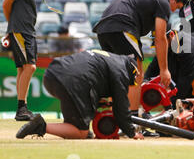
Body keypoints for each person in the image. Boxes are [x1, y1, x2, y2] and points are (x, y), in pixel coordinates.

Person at [92, 0, 187, 116]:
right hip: (122, 26)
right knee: (136, 74)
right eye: (177, 7)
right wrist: (164, 70)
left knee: (118, 77)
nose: (173, 11)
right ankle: (133, 121)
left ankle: (116, 119)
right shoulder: (163, 1)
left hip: (103, 30)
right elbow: (161, 38)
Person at [15, 49, 144, 140]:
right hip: (74, 82)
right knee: (81, 132)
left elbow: (93, 74)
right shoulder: (122, 70)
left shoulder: (110, 58)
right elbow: (121, 106)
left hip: (52, 75)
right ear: (130, 71)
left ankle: (72, 128)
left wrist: (97, 101)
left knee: (81, 127)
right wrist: (132, 132)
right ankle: (40, 126)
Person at [2, 0, 54, 121]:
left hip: (26, 31)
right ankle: (21, 108)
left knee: (21, 69)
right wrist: (13, 27)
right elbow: (6, 4)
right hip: (21, 31)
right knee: (30, 67)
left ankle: (22, 107)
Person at [144, 25, 194, 107]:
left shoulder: (189, 48)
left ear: (171, 34)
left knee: (176, 115)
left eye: (161, 42)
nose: (159, 47)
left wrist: (169, 107)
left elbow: (183, 86)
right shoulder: (165, 47)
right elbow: (150, 73)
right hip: (186, 89)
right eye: (157, 43)